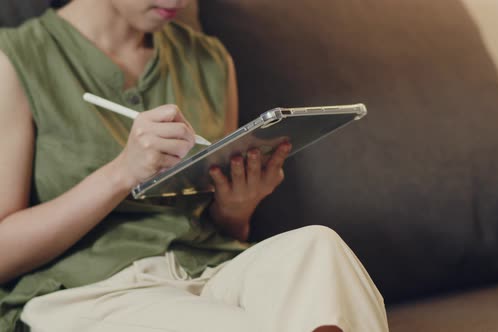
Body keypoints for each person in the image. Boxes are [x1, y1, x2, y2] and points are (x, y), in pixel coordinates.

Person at [0, 0, 388, 331]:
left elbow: (225, 229)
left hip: (208, 270)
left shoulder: (210, 59)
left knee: (319, 248)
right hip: (92, 292)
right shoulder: (16, 60)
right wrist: (122, 173)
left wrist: (237, 206)